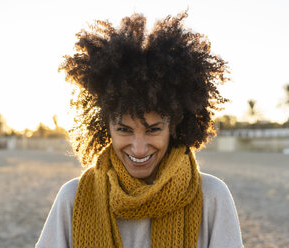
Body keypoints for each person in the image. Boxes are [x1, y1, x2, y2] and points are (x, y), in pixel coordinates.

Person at [36, 12, 243, 248]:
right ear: (107, 128)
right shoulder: (73, 198)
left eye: (153, 130)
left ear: (173, 127)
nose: (139, 147)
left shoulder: (211, 196)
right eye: (124, 130)